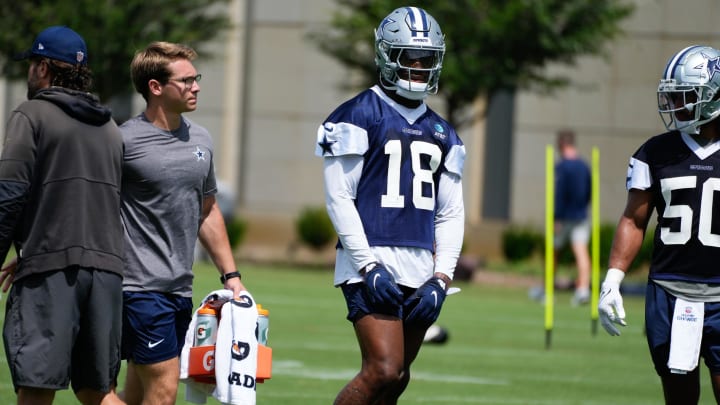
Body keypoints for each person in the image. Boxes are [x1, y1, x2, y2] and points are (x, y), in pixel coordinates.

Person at [315, 6, 465, 404]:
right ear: (386, 55)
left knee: (396, 378)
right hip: (371, 255)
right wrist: (366, 264)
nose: (419, 67)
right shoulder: (357, 114)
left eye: (427, 59)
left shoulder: (443, 131)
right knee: (381, 369)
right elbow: (339, 197)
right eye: (409, 58)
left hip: (419, 262)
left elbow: (451, 212)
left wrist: (442, 277)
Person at [0, 26, 125, 404]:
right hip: (106, 273)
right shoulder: (110, 128)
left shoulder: (31, 114)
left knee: (36, 386)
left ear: (43, 68)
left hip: (52, 272)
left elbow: (8, 194)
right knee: (96, 392)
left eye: (33, 64)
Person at [119, 41, 246, 405]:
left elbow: (207, 210)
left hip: (179, 289)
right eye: (186, 80)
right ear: (155, 87)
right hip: (137, 288)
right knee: (164, 388)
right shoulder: (123, 141)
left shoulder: (201, 138)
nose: (197, 86)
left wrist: (231, 276)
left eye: (196, 78)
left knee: (138, 391)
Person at [598, 45, 720, 404]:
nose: (675, 105)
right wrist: (612, 280)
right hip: (670, 293)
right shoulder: (654, 151)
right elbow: (634, 220)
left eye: (685, 96)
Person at [554, 129, 592, 305]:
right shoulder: (584, 166)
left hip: (565, 217)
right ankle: (583, 289)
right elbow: (589, 192)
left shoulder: (562, 166)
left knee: (554, 252)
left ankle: (548, 289)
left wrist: (557, 217)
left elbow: (559, 194)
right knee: (581, 252)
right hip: (581, 215)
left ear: (561, 144)